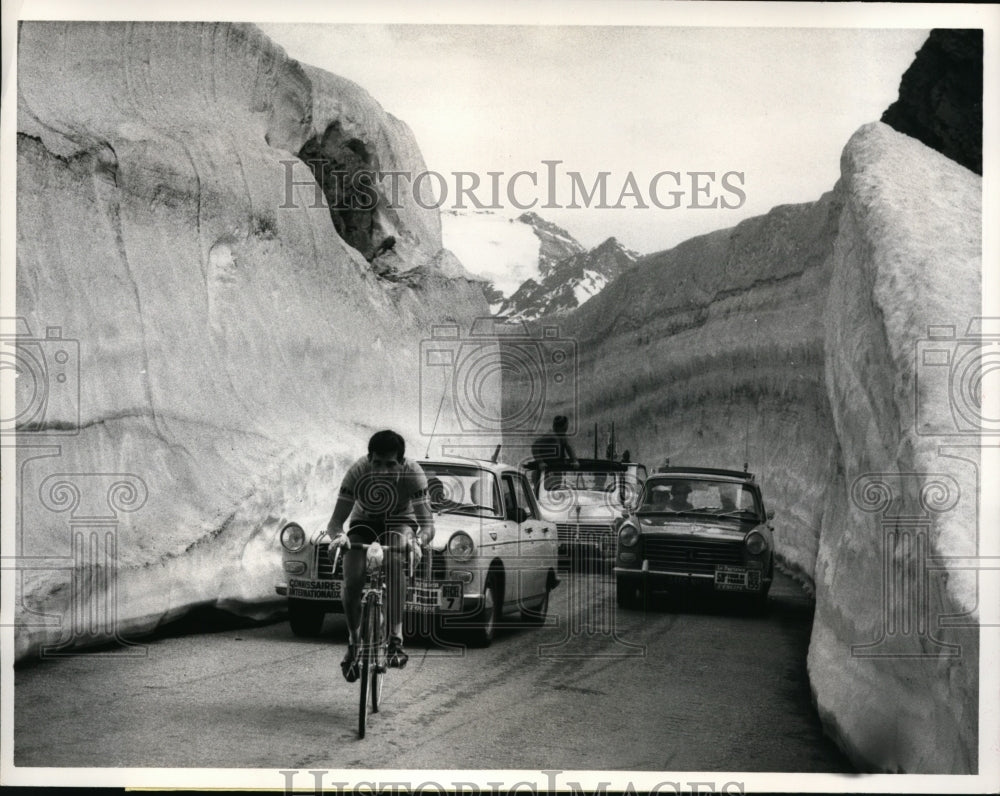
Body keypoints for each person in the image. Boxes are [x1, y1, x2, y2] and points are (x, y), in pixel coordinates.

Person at [326, 430, 435, 681]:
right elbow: (334, 524)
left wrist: (417, 543)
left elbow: (428, 526)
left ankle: (395, 639)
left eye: (390, 465)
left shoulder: (413, 474)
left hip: (399, 522)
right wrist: (338, 538)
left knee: (396, 559)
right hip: (364, 522)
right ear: (369, 459)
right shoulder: (357, 472)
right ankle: (354, 643)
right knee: (352, 579)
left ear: (402, 462)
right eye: (377, 463)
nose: (383, 471)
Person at [530, 415, 579, 490]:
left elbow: (569, 448)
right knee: (542, 492)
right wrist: (540, 462)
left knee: (554, 491)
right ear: (560, 427)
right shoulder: (550, 436)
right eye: (565, 426)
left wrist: (574, 460)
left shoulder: (563, 437)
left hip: (556, 470)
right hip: (545, 472)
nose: (567, 428)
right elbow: (535, 447)